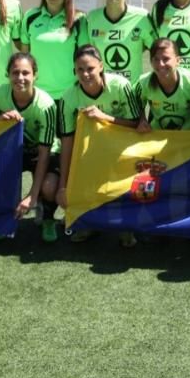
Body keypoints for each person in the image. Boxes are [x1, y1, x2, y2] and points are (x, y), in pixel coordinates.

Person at [55, 45, 141, 246]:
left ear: (101, 66)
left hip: (122, 150)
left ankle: (125, 227)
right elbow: (67, 142)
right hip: (89, 153)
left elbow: (137, 123)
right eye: (80, 70)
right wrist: (63, 186)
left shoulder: (121, 86)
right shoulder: (68, 98)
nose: (85, 74)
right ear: (74, 71)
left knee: (123, 184)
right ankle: (87, 224)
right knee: (83, 173)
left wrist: (105, 118)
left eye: (90, 68)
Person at [0, 53, 61, 243]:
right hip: (11, 151)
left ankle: (47, 217)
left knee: (49, 187)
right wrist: (0, 120)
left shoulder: (46, 105)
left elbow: (43, 154)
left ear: (35, 75)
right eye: (15, 73)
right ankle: (3, 218)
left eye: (26, 73)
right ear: (7, 74)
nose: (20, 78)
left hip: (40, 153)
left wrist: (32, 196)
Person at [20, 0, 86, 101]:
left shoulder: (79, 20)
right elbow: (24, 58)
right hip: (36, 95)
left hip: (69, 96)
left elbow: (85, 59)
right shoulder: (30, 17)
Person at [85, 0, 155, 83]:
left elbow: (158, 51)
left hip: (132, 94)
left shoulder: (142, 17)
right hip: (103, 94)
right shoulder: (92, 19)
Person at [134, 38, 190, 132]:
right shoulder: (143, 83)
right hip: (158, 136)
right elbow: (135, 104)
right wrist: (142, 120)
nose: (161, 64)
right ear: (151, 61)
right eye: (156, 59)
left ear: (178, 60)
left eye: (166, 59)